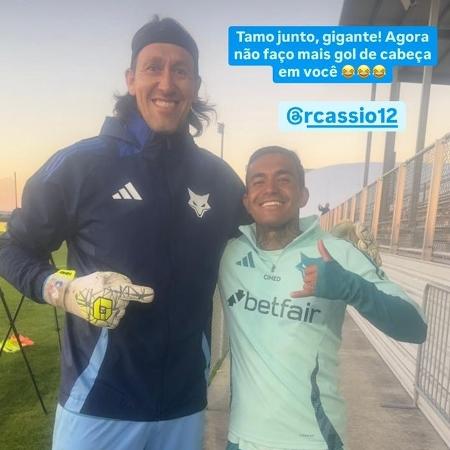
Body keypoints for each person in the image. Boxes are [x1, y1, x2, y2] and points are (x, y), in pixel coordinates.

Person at [0, 16, 246, 450]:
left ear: (195, 84)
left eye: (180, 70)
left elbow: (265, 242)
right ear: (131, 79)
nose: (167, 83)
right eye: (154, 67)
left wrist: (330, 239)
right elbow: (13, 247)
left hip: (184, 407)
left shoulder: (220, 179)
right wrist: (61, 290)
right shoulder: (80, 165)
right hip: (97, 405)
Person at [218, 146, 427, 450]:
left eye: (284, 179)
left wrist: (352, 287)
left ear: (303, 195)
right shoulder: (229, 254)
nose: (270, 189)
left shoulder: (336, 253)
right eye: (258, 181)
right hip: (241, 438)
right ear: (247, 201)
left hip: (315, 439)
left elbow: (415, 327)